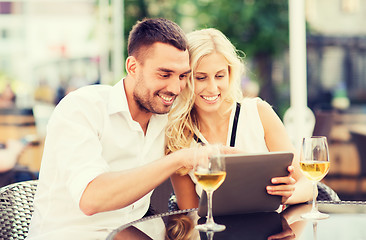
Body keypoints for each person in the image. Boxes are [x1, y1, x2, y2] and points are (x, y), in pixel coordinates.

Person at [27, 18, 198, 240]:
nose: (175, 88)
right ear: (133, 67)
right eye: (164, 74)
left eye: (182, 76)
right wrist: (177, 160)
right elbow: (92, 199)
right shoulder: (82, 108)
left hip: (132, 234)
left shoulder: (167, 121)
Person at [166, 28, 313, 211]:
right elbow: (189, 212)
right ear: (185, 79)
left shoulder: (259, 113)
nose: (212, 88)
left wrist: (289, 195)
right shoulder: (177, 137)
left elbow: (309, 184)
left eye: (220, 76)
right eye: (201, 78)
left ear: (230, 74)